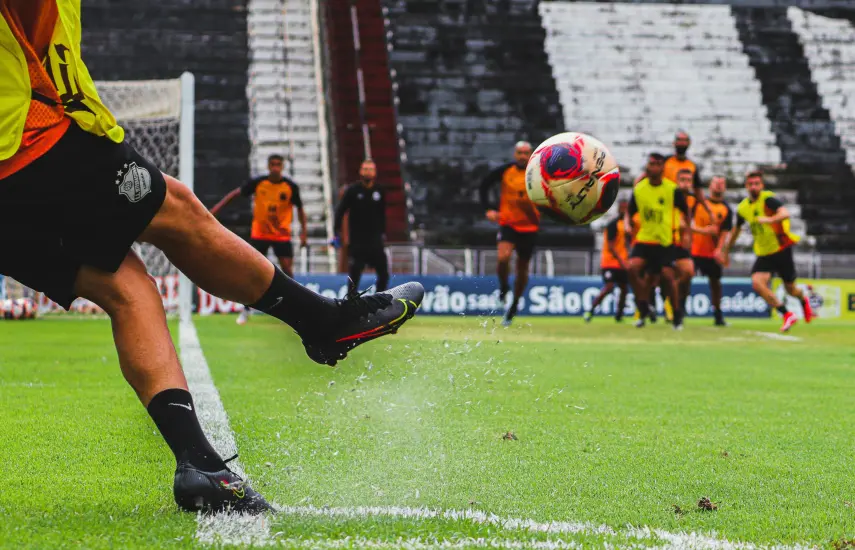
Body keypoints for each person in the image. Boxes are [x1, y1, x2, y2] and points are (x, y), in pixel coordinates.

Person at [0, 0, 423, 515]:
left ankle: (200, 465)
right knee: (176, 211)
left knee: (127, 289)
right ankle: (322, 321)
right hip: (23, 139)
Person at [210, 154, 308, 325]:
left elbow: (300, 210)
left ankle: (295, 308)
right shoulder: (258, 183)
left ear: (282, 166)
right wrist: (216, 209)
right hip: (260, 234)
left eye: (278, 164)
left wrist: (303, 233)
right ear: (268, 166)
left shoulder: (290, 187)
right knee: (252, 271)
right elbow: (236, 194)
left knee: (287, 270)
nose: (275, 168)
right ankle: (246, 309)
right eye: (273, 164)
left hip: (281, 235)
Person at [722, 171, 812, 332]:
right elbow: (736, 229)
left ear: (762, 185)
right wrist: (726, 250)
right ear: (746, 186)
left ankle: (803, 299)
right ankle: (786, 314)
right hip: (764, 253)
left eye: (757, 184)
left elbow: (785, 213)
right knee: (757, 283)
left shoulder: (768, 200)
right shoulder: (743, 208)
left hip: (781, 248)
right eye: (751, 184)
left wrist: (769, 220)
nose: (754, 187)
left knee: (791, 290)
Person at [625, 153, 690, 330]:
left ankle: (677, 314)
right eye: (651, 163)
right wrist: (628, 224)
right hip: (645, 239)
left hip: (664, 242)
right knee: (632, 269)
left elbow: (686, 211)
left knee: (668, 278)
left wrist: (686, 234)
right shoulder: (639, 189)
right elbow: (629, 212)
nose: (653, 167)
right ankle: (643, 306)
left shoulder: (672, 189)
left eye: (657, 164)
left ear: (663, 168)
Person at [479, 141, 539, 326]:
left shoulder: (538, 173)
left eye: (526, 153)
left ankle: (514, 305)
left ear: (531, 155)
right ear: (515, 154)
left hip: (530, 227)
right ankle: (504, 287)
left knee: (522, 268)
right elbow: (484, 185)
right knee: (503, 258)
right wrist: (488, 209)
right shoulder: (506, 171)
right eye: (520, 153)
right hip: (509, 224)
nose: (523, 156)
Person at [333, 159, 389, 295]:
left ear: (375, 172)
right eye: (365, 169)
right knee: (355, 275)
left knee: (384, 274)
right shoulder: (353, 190)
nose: (368, 172)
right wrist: (336, 231)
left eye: (371, 169)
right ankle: (351, 301)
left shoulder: (380, 191)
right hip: (358, 241)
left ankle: (378, 299)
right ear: (360, 172)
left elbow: (382, 214)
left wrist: (383, 233)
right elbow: (340, 211)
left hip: (375, 240)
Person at [690, 176, 732, 326]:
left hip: (711, 253)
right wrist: (704, 231)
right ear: (710, 185)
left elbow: (725, 232)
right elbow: (687, 224)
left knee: (715, 284)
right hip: (694, 251)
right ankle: (678, 312)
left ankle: (718, 316)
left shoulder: (726, 209)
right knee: (684, 279)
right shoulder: (698, 203)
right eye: (716, 183)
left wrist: (719, 250)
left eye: (722, 183)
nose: (719, 186)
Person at [584, 200, 629, 323]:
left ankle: (619, 315)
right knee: (609, 287)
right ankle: (590, 311)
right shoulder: (613, 224)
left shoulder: (626, 225)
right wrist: (622, 261)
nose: (624, 211)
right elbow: (611, 246)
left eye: (626, 208)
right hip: (610, 262)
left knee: (624, 289)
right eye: (623, 208)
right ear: (619, 209)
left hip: (622, 262)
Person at [668, 169, 697, 318]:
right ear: (677, 181)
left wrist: (688, 233)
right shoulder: (670, 195)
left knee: (688, 273)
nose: (686, 184)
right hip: (667, 241)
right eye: (683, 180)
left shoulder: (694, 200)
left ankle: (678, 304)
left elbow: (691, 222)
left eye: (688, 180)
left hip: (682, 244)